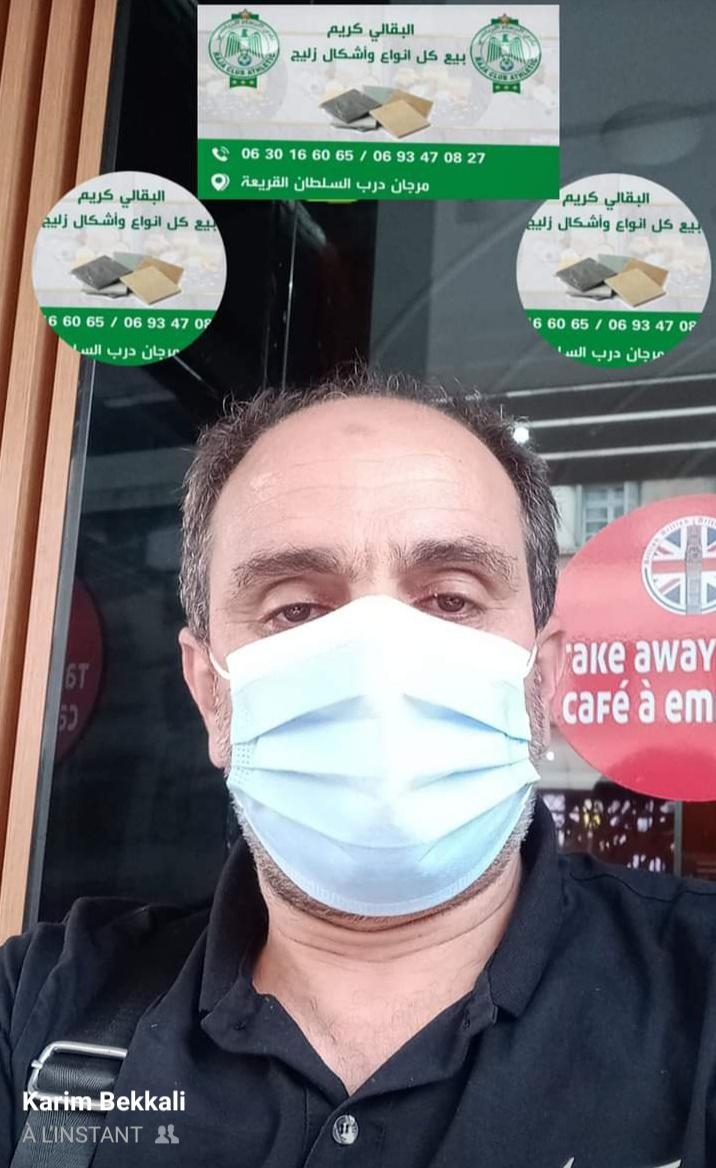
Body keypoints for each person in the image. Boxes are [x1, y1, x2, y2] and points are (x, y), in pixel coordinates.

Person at [0, 368, 712, 1167]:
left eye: (451, 598)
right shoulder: (42, 1009)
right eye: (296, 609)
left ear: (540, 682)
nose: (378, 666)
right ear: (210, 694)